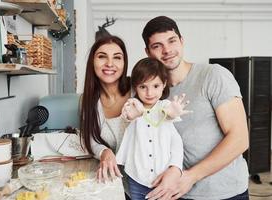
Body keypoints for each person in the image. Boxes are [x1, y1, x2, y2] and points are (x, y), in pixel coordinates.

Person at [142, 16, 249, 200]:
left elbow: (240, 139)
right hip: (179, 193)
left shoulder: (213, 75)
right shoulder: (153, 91)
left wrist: (191, 177)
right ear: (148, 52)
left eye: (172, 40)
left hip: (225, 193)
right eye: (157, 46)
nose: (167, 50)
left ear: (182, 41)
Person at [116, 57, 190, 200]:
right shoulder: (133, 105)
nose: (149, 93)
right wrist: (133, 115)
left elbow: (171, 121)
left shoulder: (165, 107)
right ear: (135, 87)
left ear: (164, 85)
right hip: (137, 177)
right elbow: (127, 117)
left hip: (164, 178)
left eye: (155, 86)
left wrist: (173, 113)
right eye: (143, 87)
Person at [79, 35, 131, 198]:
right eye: (102, 56)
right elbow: (91, 139)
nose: (110, 63)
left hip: (148, 182)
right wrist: (104, 152)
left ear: (124, 63)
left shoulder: (140, 88)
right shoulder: (87, 100)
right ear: (92, 62)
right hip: (111, 181)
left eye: (117, 57)